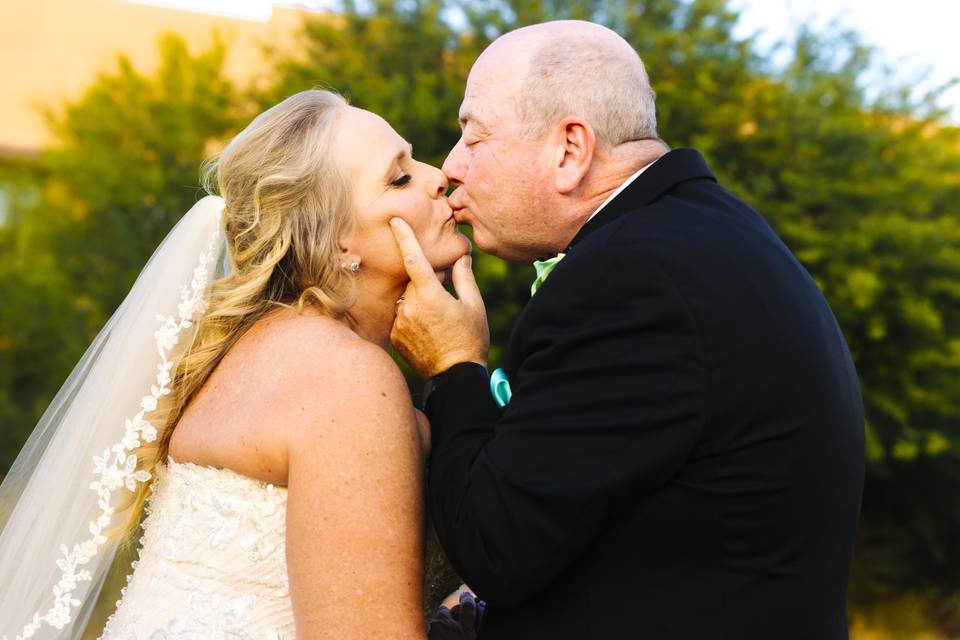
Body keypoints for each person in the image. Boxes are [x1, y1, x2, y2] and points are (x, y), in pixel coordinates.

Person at [391, 20, 867, 639]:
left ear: (570, 149)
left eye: (473, 137)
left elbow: (495, 545)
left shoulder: (631, 280)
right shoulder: (703, 237)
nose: (452, 168)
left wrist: (454, 366)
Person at [0, 90, 480, 639]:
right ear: (336, 243)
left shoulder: (243, 355)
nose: (438, 175)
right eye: (399, 179)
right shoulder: (346, 381)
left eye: (414, 160)